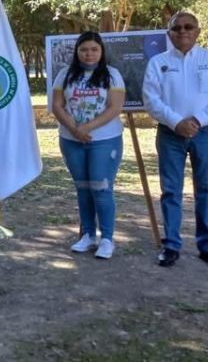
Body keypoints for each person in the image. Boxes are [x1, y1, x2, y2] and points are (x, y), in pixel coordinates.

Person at [142, 12, 208, 270]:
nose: (182, 31)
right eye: (176, 27)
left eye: (188, 27)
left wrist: (198, 121)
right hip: (170, 134)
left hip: (205, 133)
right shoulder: (158, 62)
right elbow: (151, 99)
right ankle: (171, 245)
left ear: (198, 31)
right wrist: (177, 122)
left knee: (206, 189)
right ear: (169, 32)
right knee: (171, 191)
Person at [50, 31, 125, 260]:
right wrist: (74, 129)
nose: (89, 54)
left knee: (101, 189)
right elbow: (57, 105)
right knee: (82, 188)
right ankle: (88, 235)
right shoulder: (65, 75)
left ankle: (107, 239)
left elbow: (114, 108)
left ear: (101, 52)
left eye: (94, 49)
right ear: (77, 52)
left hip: (103, 140)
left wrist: (88, 127)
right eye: (84, 49)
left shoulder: (112, 75)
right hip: (72, 141)